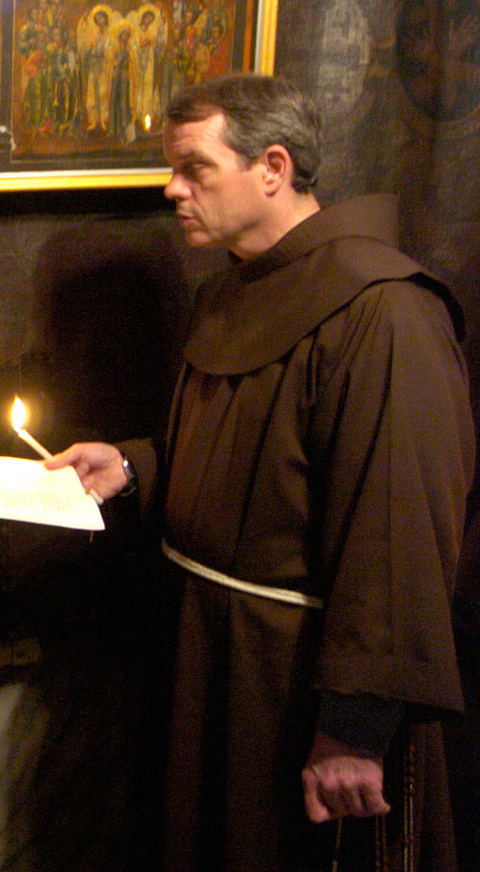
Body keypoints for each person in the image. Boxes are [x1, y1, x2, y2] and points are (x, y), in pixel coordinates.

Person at [49, 74, 471, 870]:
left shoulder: (385, 312)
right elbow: (256, 464)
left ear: (272, 167)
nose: (172, 190)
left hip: (292, 680)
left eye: (195, 169)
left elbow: (398, 529)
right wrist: (135, 467)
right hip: (208, 655)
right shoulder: (228, 291)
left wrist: (354, 728)